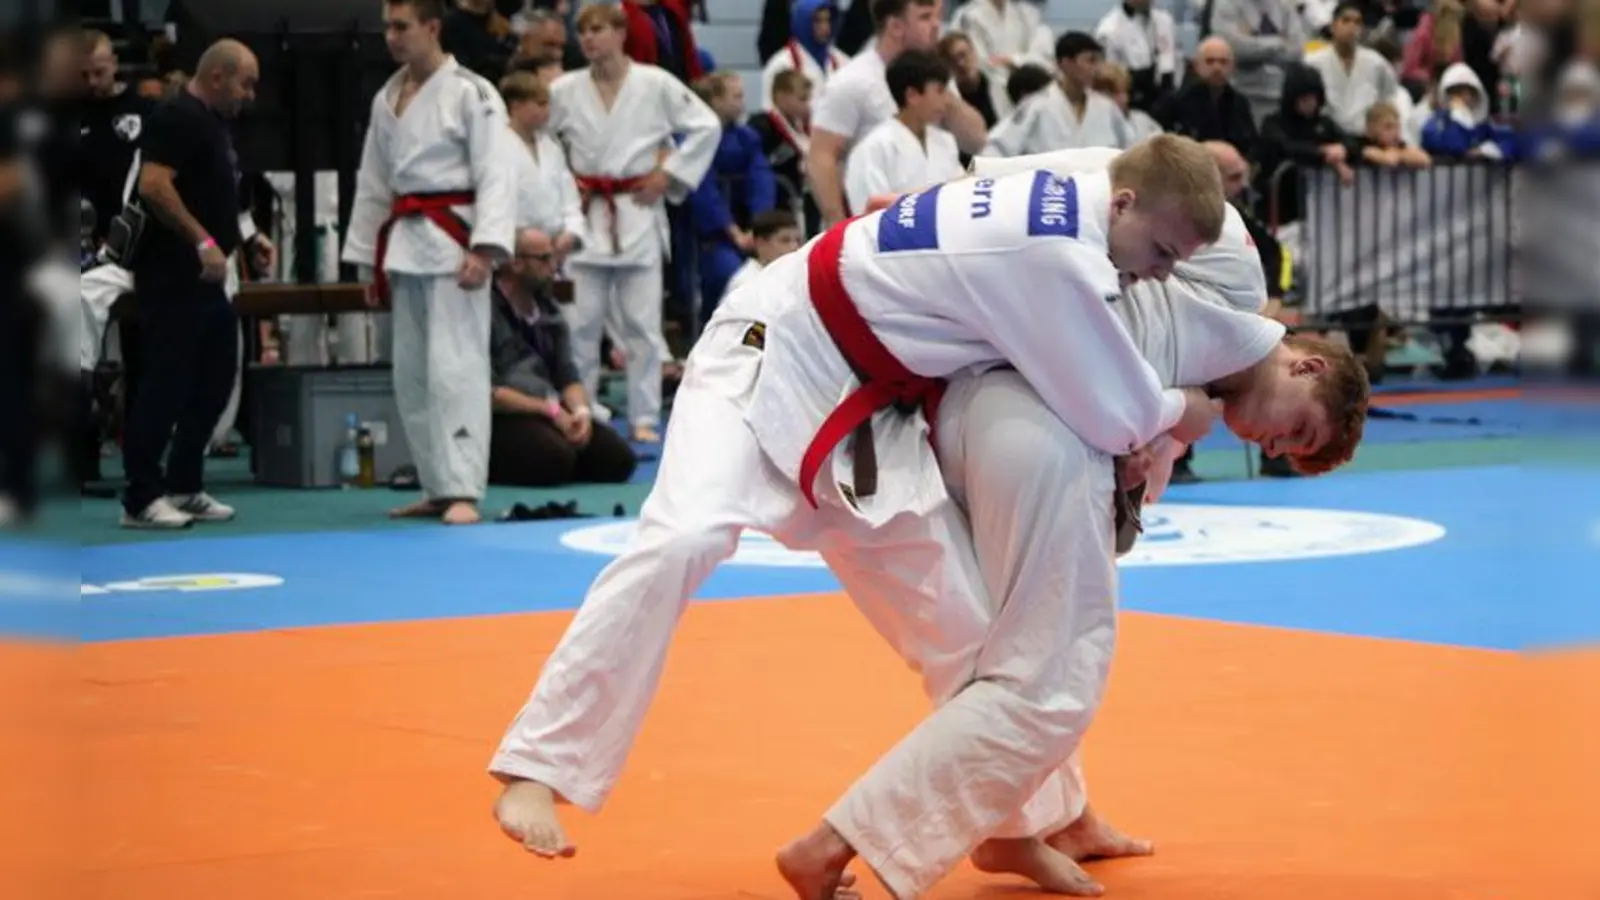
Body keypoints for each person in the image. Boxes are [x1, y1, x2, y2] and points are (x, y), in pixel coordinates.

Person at [488, 134, 1231, 892]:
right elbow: (1116, 412)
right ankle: (537, 769)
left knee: (972, 632)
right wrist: (1185, 408)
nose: (1160, 273)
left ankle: (1023, 824)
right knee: (685, 537)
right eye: (1162, 252)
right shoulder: (1056, 252)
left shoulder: (1080, 185)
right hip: (770, 350)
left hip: (869, 412)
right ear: (1124, 205)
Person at [803, 147, 1367, 899]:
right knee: (1051, 675)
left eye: (1283, 452)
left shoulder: (1192, 407)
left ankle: (1048, 819)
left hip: (981, 420)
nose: (1272, 445)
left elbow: (1128, 473)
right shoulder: (1229, 264)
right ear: (1308, 368)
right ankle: (839, 843)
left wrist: (1150, 446)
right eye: (1296, 432)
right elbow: (1097, 173)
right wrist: (936, 199)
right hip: (1007, 417)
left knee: (1009, 646)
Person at [343, 0, 517, 527]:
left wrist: (485, 248)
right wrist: (365, 260)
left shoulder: (472, 92)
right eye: (387, 28)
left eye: (402, 26)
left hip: (454, 242)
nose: (391, 37)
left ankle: (463, 487)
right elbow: (373, 182)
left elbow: (496, 172)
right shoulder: (386, 97)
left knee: (456, 369)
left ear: (432, 27)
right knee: (413, 374)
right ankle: (436, 485)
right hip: (404, 243)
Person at [548, 2, 721, 444]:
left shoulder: (655, 83)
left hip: (637, 212)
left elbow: (706, 126)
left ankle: (644, 416)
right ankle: (585, 410)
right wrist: (564, 184)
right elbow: (542, 142)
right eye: (584, 32)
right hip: (587, 216)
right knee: (581, 326)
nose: (589, 39)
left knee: (643, 327)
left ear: (621, 33)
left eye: (598, 29)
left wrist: (668, 175)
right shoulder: (564, 89)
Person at [119, 39, 272, 529]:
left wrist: (247, 239)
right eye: (246, 84)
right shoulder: (176, 116)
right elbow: (153, 185)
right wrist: (202, 240)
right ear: (218, 77)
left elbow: (218, 194)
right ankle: (140, 498)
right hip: (171, 273)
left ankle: (185, 484)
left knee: (216, 378)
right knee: (165, 383)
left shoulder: (213, 123)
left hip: (207, 278)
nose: (250, 95)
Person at [489, 227, 637, 488]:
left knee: (619, 460)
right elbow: (490, 393)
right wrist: (549, 410)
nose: (554, 266)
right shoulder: (486, 311)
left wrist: (580, 412)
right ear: (516, 263)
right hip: (504, 416)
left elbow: (567, 375)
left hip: (548, 410)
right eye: (544, 259)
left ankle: (555, 448)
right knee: (554, 459)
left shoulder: (549, 309)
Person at [843, 50, 965, 216]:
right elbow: (870, 214)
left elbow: (962, 196)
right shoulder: (872, 149)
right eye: (940, 91)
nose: (947, 101)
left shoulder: (946, 141)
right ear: (912, 95)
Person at [723, 208, 804, 298]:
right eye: (785, 240)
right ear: (760, 243)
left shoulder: (797, 277)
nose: (794, 247)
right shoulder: (744, 284)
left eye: (798, 241)